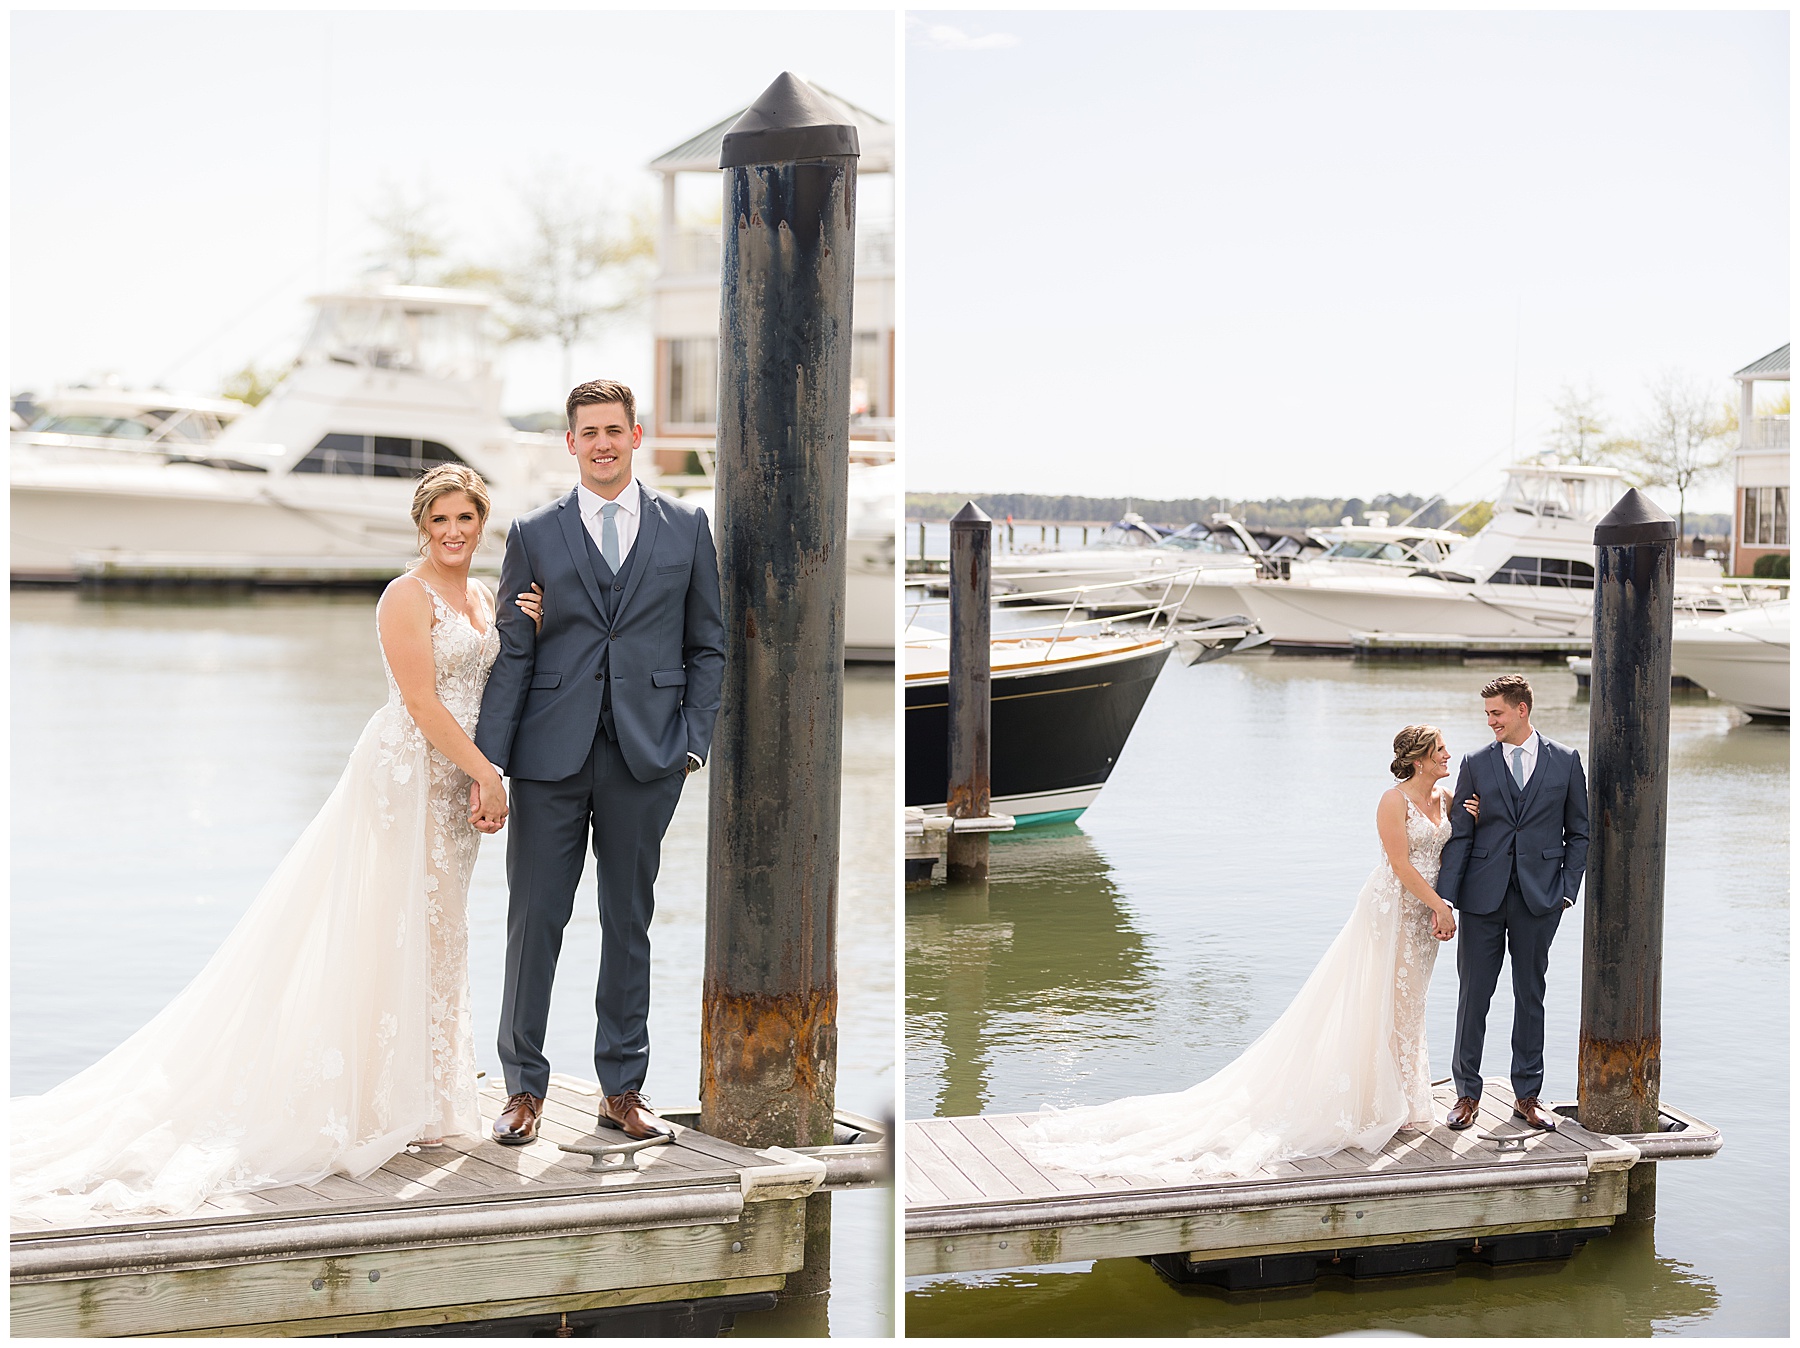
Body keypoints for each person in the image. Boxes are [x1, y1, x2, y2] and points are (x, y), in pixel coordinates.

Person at [12, 465, 503, 1222]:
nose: (452, 532)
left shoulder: (484, 595)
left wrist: (519, 640)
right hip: (405, 778)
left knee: (440, 932)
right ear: (420, 526)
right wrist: (487, 775)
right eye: (439, 519)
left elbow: (492, 678)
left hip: (452, 791)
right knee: (384, 929)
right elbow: (420, 702)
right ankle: (372, 1102)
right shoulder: (404, 598)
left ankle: (431, 1098)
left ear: (481, 520)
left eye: (464, 517)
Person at [1024, 726, 1469, 1183]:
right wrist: (1440, 905)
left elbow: (1455, 845)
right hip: (1393, 909)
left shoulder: (1447, 798)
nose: (1447, 755)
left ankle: (1406, 1099)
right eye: (1439, 750)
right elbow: (1399, 864)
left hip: (1425, 918)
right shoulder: (1392, 802)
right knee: (1380, 1002)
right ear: (1418, 759)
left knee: (1410, 1003)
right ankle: (1378, 1104)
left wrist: (1465, 836)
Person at [476, 380, 724, 1147]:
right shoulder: (535, 533)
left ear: (636, 435)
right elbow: (515, 658)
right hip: (549, 755)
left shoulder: (685, 528)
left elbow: (707, 645)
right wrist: (489, 764)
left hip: (647, 758)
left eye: (614, 429)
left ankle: (623, 1089)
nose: (603, 443)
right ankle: (524, 1089)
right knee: (534, 921)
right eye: (589, 432)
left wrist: (690, 743)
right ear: (571, 443)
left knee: (630, 923)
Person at [1437, 673, 1589, 1133]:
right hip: (1481, 895)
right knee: (1473, 997)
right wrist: (1445, 899)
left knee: (1531, 995)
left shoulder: (1565, 760)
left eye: (1496, 713)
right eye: (1487, 714)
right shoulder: (1477, 762)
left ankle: (1528, 1096)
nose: (1490, 722)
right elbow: (1461, 836)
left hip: (1539, 898)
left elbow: (1579, 832)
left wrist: (1566, 891)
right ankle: (1467, 1095)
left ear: (1522, 709)